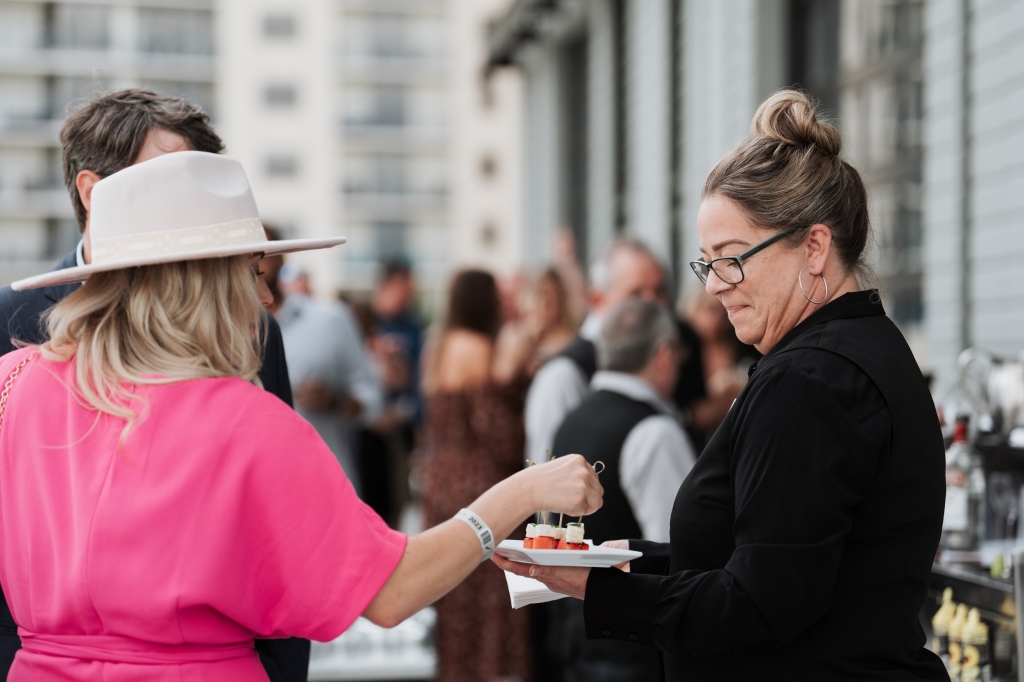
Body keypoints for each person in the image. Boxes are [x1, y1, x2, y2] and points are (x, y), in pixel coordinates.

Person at [0, 151, 603, 682]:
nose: (266, 298)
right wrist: (523, 491)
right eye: (255, 272)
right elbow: (392, 592)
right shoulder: (246, 422)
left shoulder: (16, 384)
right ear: (202, 284)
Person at [498, 90, 947, 681]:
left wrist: (603, 591)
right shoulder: (860, 349)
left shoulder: (810, 381)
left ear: (814, 248)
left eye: (732, 259)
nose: (713, 286)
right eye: (706, 262)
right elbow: (772, 561)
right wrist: (618, 567)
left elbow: (760, 601)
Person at [0, 89, 303, 682]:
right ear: (92, 193)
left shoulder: (250, 326)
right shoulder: (8, 322)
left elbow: (276, 534)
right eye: (166, 182)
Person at [547, 299, 696, 681]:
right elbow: (679, 551)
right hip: (636, 651)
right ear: (664, 355)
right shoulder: (654, 432)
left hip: (576, 636)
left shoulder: (569, 422)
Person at [420, 269, 542, 682]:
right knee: (487, 608)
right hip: (478, 487)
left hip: (441, 481)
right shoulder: (476, 349)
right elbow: (498, 433)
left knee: (451, 600)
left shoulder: (437, 346)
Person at [524, 239, 709, 463]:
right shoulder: (564, 374)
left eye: (660, 292)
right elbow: (544, 475)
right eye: (636, 294)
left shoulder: (678, 341)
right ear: (597, 299)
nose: (652, 304)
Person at [261, 229, 383, 493]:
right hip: (259, 494)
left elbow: (373, 398)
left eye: (264, 254)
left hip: (326, 487)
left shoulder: (331, 320)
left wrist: (335, 401)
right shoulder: (219, 334)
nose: (257, 263)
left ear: (282, 257)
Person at [683, 288, 757, 434]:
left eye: (722, 310)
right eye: (709, 309)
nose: (717, 317)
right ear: (693, 309)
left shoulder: (743, 343)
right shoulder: (685, 352)